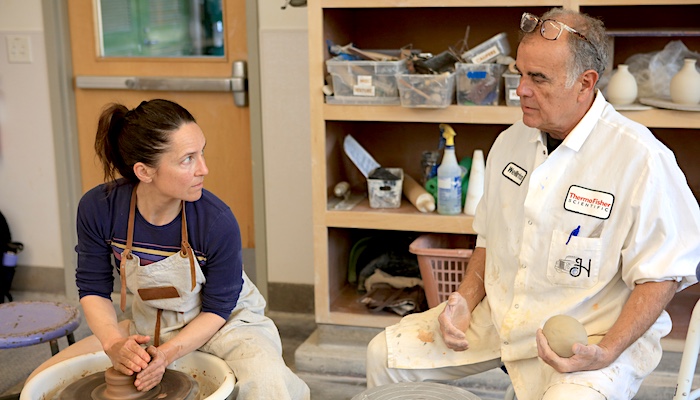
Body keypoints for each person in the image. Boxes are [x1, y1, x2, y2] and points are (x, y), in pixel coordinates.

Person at [366, 8, 700, 400]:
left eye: (538, 78)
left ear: (585, 83)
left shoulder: (640, 158)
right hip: (504, 313)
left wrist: (606, 350)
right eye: (520, 73)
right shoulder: (510, 143)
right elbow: (488, 239)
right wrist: (464, 300)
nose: (521, 89)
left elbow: (661, 276)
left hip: (592, 331)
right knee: (383, 356)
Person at [27, 99, 310, 399]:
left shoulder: (217, 221)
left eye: (202, 152)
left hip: (229, 323)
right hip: (152, 322)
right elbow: (93, 287)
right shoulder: (100, 209)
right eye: (188, 159)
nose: (204, 168)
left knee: (269, 382)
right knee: (41, 381)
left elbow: (218, 309)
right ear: (144, 172)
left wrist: (167, 354)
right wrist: (113, 344)